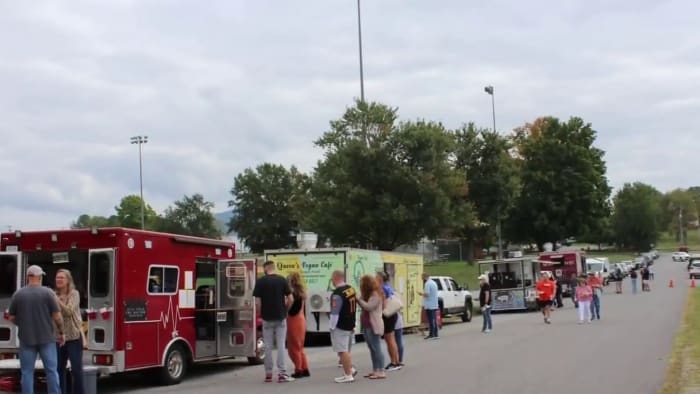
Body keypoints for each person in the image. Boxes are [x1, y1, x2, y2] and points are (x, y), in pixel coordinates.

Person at [8, 265, 65, 394]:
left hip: (26, 339)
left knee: (27, 372)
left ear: (28, 277)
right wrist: (61, 332)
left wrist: (22, 324)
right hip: (47, 339)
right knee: (51, 371)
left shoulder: (18, 294)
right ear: (39, 277)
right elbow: (57, 316)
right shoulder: (48, 293)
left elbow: (11, 317)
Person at [252, 261, 295, 383]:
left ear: (266, 269)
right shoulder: (281, 280)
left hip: (267, 318)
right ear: (274, 268)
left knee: (268, 346)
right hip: (280, 317)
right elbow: (291, 299)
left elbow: (258, 302)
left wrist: (261, 314)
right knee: (281, 345)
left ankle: (268, 374)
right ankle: (282, 374)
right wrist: (286, 310)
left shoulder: (260, 281)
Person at [55, 269, 85, 394]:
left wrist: (57, 300)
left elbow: (69, 312)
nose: (58, 280)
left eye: (62, 277)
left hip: (73, 337)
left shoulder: (74, 294)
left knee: (76, 369)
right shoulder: (53, 294)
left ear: (68, 280)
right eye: (57, 277)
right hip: (58, 337)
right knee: (59, 369)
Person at [329, 270, 358, 383]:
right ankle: (349, 370)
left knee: (342, 350)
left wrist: (332, 326)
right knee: (346, 349)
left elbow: (335, 312)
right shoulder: (350, 289)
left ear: (335, 278)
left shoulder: (337, 293)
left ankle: (348, 374)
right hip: (350, 322)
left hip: (341, 325)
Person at [357, 275, 386, 380]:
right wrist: (360, 299)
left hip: (373, 325)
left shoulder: (375, 295)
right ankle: (375, 370)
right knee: (372, 348)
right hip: (366, 325)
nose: (360, 285)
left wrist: (359, 299)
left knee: (376, 347)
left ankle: (381, 370)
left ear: (366, 285)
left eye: (362, 283)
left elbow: (368, 307)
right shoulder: (368, 295)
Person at [286, 272, 309, 379]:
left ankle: (298, 369)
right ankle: (305, 368)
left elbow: (291, 310)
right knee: (300, 347)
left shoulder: (292, 293)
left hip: (293, 320)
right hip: (301, 319)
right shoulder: (302, 293)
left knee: (293, 347)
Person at [376, 272, 400, 371]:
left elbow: (383, 303)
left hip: (387, 315)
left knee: (389, 339)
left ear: (380, 278)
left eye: (376, 276)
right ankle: (396, 361)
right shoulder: (388, 287)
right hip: (393, 314)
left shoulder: (382, 289)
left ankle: (394, 362)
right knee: (391, 338)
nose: (375, 278)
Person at [418, 272, 439, 339]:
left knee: (430, 320)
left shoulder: (427, 284)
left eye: (422, 277)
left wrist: (421, 294)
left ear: (424, 277)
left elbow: (427, 294)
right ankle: (436, 334)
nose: (421, 279)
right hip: (434, 304)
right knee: (434, 320)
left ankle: (431, 334)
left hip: (429, 305)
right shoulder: (434, 283)